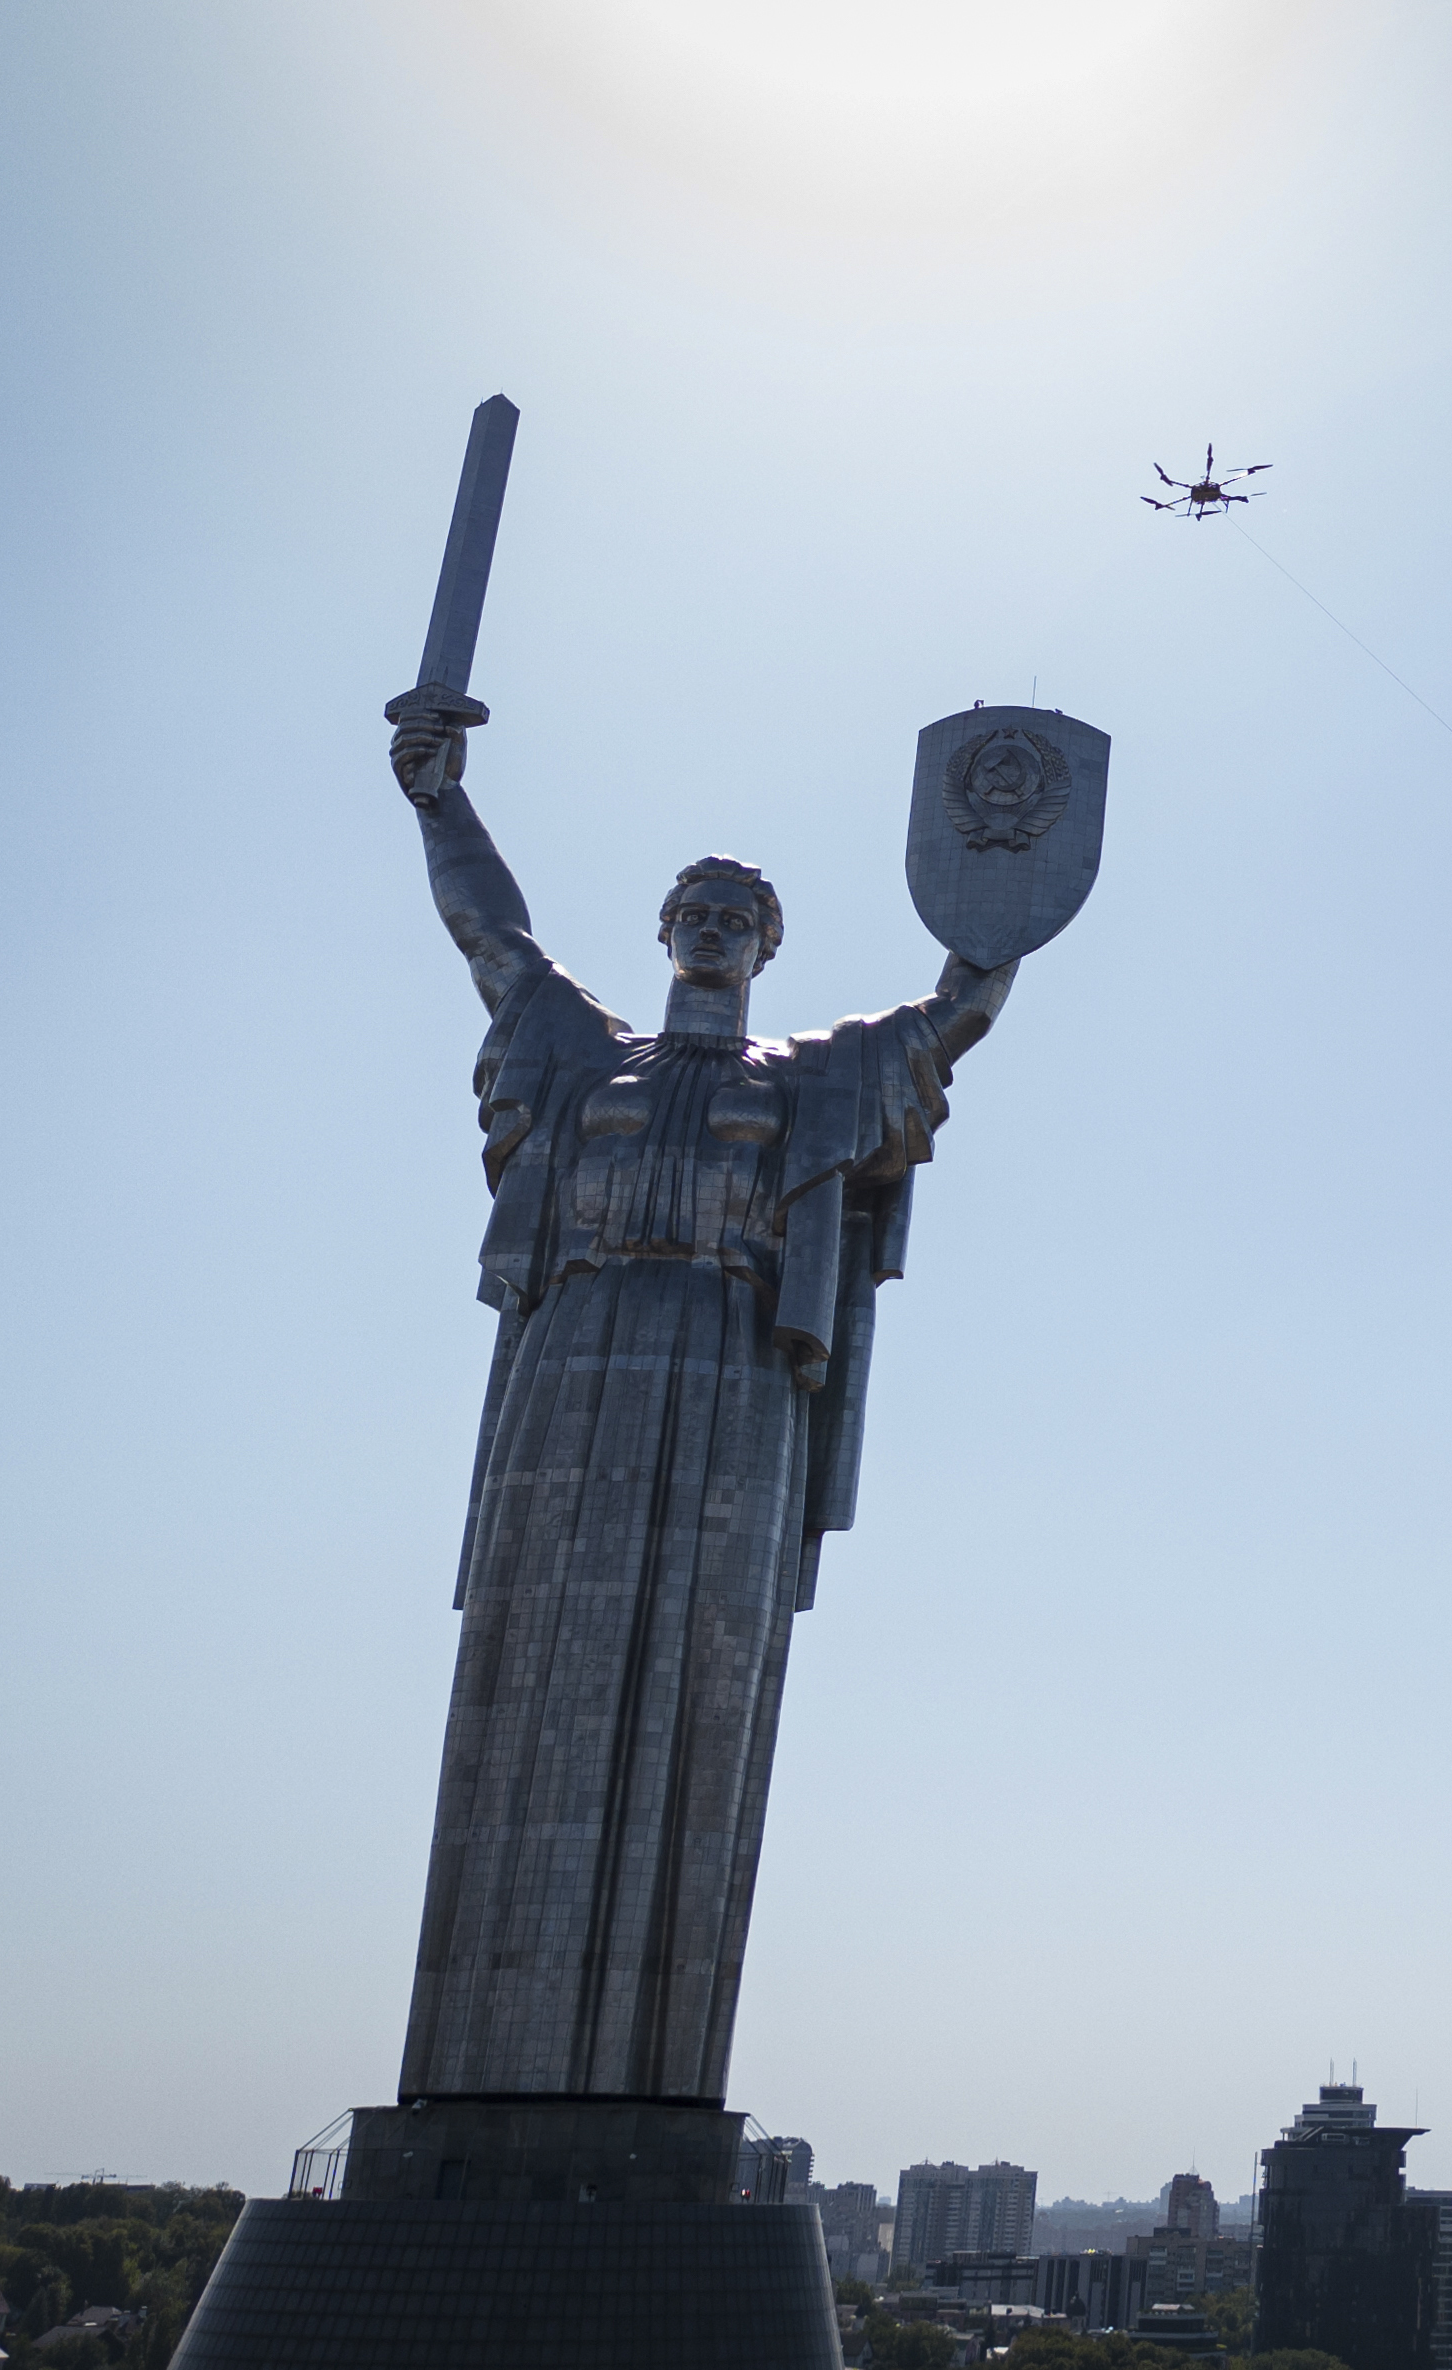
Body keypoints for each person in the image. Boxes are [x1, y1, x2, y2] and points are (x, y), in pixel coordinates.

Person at [381, 715, 1014, 2104]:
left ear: (766, 948)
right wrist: (440, 802)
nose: (717, 926)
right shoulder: (581, 1052)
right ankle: (475, 2065)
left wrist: (1006, 905)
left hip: (728, 1358)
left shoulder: (811, 1076)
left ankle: (647, 2073)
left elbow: (952, 1014)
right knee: (532, 1643)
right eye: (698, 909)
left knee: (696, 1654)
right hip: (582, 1346)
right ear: (666, 931)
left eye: (741, 915)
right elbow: (492, 938)